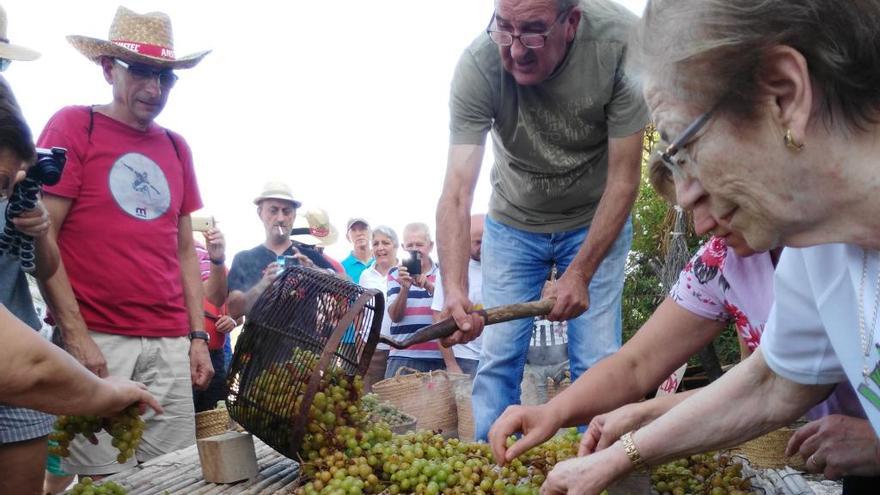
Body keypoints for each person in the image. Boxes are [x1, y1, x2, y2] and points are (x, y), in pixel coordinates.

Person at [538, 1, 880, 493]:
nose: (692, 198)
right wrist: (613, 460)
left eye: (681, 149)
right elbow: (772, 383)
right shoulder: (818, 246)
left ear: (784, 95)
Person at [488, 157, 869, 489]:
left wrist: (874, 441)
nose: (701, 225)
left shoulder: (844, 233)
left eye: (708, 197)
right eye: (689, 208)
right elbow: (638, 365)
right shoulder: (722, 262)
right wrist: (554, 412)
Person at [435, 0, 649, 440]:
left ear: (571, 22)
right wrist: (455, 289)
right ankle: (491, 473)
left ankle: (597, 468)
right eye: (504, 29)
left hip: (595, 218)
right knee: (498, 355)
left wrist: (581, 272)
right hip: (514, 222)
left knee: (597, 356)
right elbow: (457, 191)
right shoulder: (479, 65)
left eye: (532, 31)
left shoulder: (621, 43)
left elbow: (625, 180)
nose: (515, 50)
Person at [36, 6, 214, 476]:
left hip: (169, 340)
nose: (154, 89)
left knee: (173, 473)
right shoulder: (74, 126)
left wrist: (197, 338)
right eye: (141, 72)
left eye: (165, 77)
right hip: (98, 336)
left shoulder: (176, 147)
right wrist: (74, 333)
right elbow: (42, 236)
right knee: (103, 476)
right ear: (109, 68)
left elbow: (183, 253)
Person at [227, 181, 333, 319]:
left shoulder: (310, 256)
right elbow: (233, 311)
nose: (281, 218)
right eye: (273, 210)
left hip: (303, 340)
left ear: (294, 216)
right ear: (260, 213)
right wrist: (262, 285)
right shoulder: (244, 259)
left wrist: (317, 271)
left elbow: (347, 287)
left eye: (286, 211)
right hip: (257, 340)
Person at [384, 222, 442, 378]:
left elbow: (450, 307)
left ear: (430, 246)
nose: (415, 249)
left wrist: (429, 286)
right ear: (403, 247)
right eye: (410, 245)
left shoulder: (443, 273)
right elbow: (395, 316)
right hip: (403, 354)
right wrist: (405, 288)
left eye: (419, 244)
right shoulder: (395, 274)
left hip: (437, 356)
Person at [432, 214, 485, 377]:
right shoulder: (451, 272)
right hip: (464, 357)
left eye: (488, 240)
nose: (484, 246)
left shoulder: (502, 269)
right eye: (478, 242)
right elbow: (437, 319)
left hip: (496, 357)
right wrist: (451, 364)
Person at [192, 225, 237, 413]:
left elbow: (236, 314)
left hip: (216, 352)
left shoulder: (219, 266)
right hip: (183, 349)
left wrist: (232, 320)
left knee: (214, 415)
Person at [357, 225, 399, 390]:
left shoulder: (405, 272)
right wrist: (359, 342)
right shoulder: (365, 276)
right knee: (370, 399)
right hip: (372, 349)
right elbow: (359, 310)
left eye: (385, 243)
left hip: (399, 350)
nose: (380, 248)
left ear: (395, 246)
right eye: (375, 244)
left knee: (396, 400)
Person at [342, 218, 373, 283]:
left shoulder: (382, 261)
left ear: (371, 233)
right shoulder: (341, 268)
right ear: (347, 237)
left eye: (363, 229)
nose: (358, 234)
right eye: (353, 230)